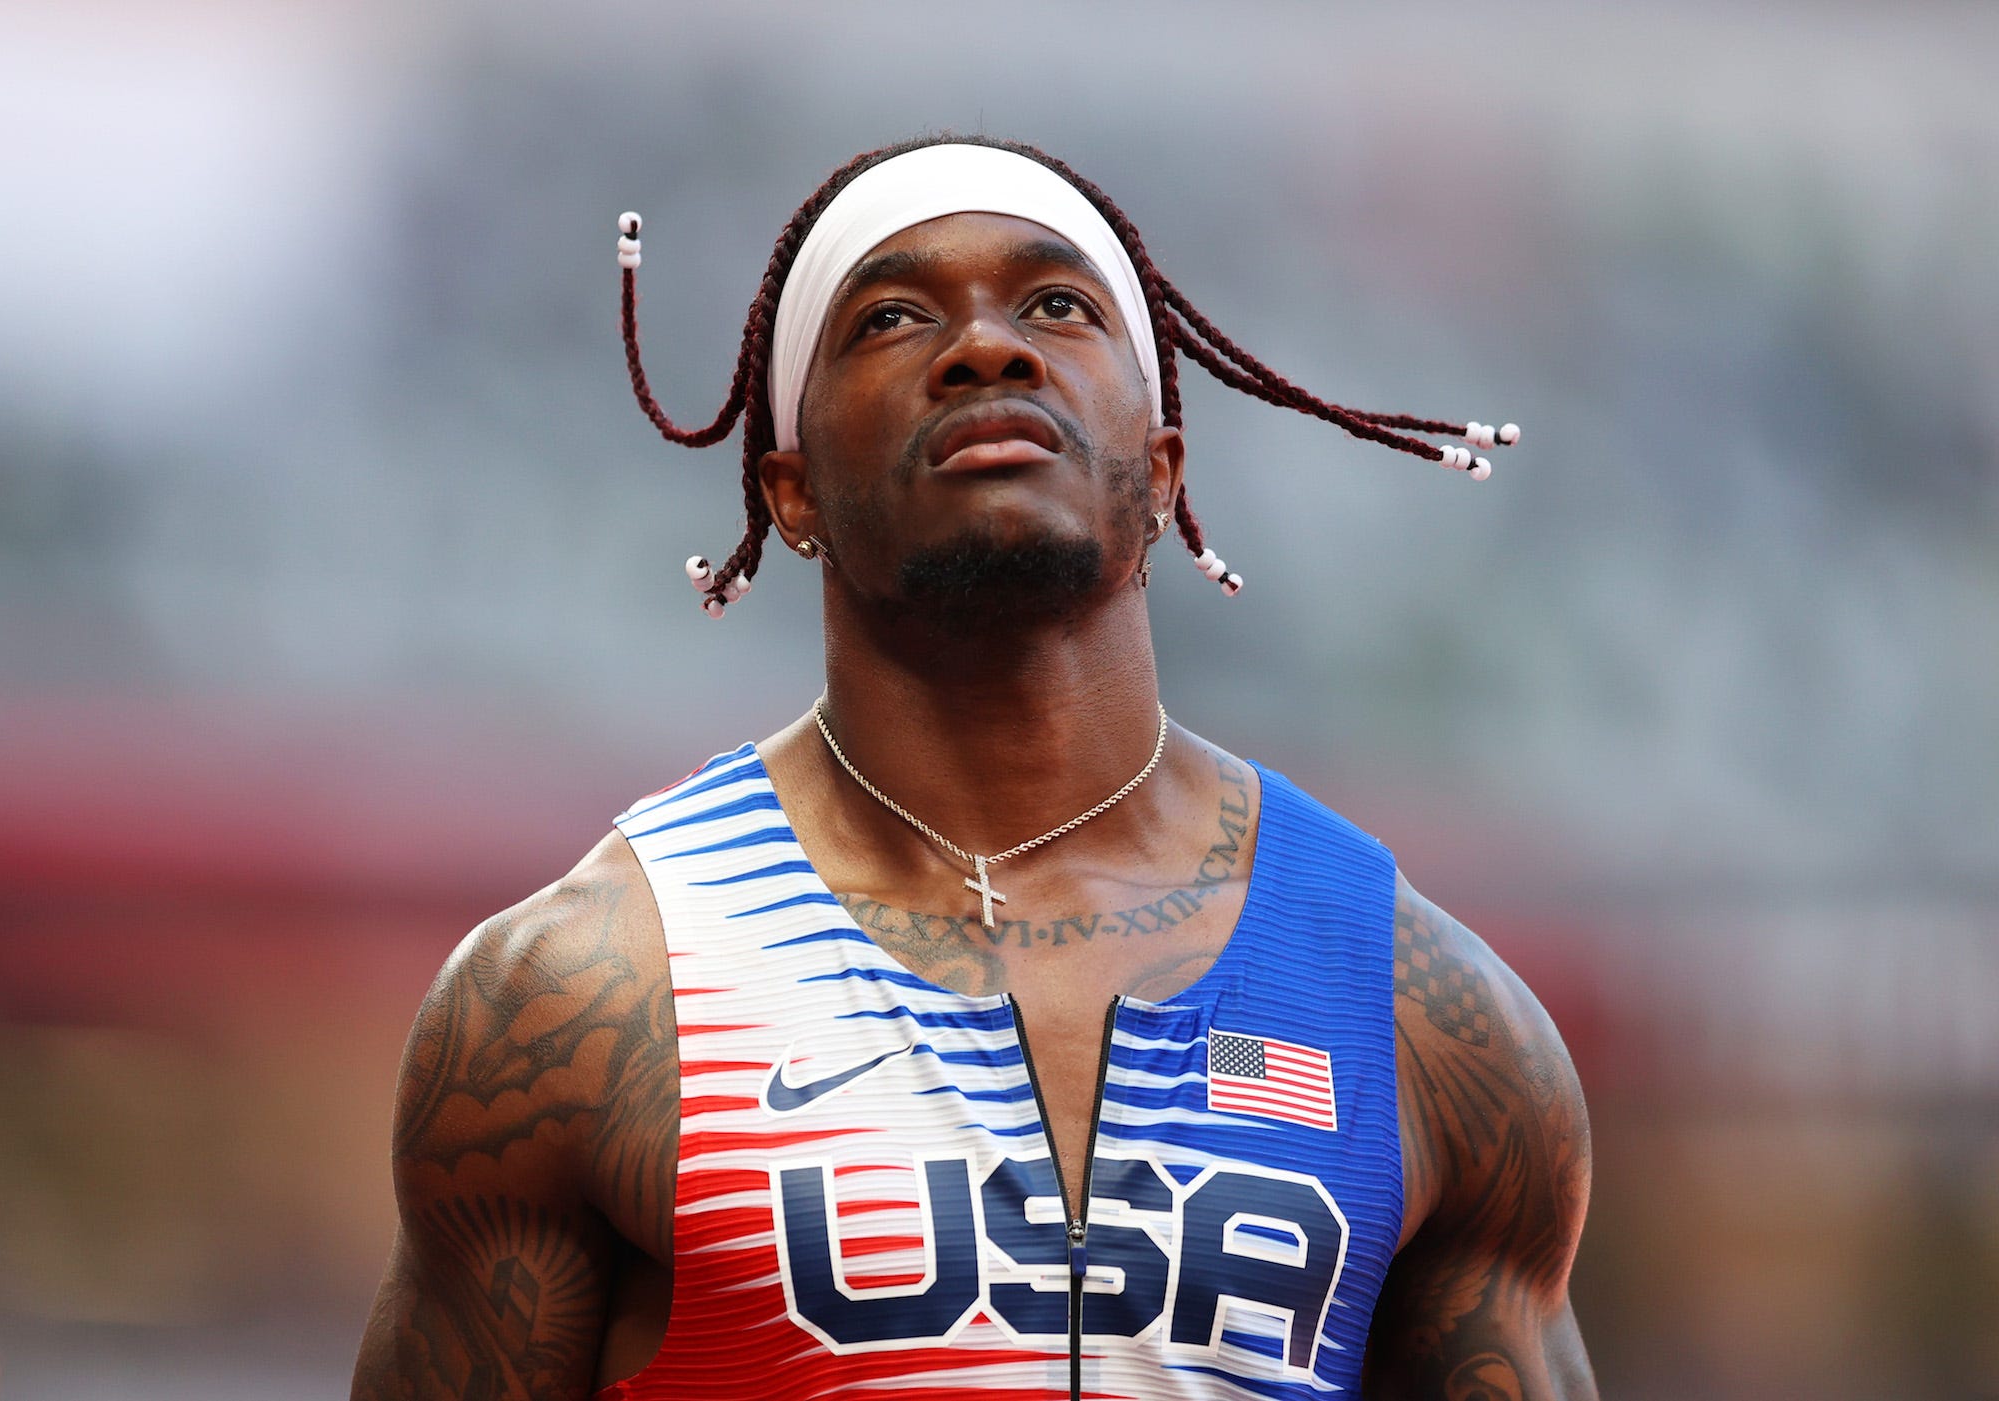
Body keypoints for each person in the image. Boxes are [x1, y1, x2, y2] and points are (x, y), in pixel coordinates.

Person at [352, 136, 1595, 1401]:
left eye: (1057, 307)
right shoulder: (583, 994)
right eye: (890, 318)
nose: (987, 349)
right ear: (791, 496)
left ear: (1162, 469)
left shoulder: (1416, 1011)